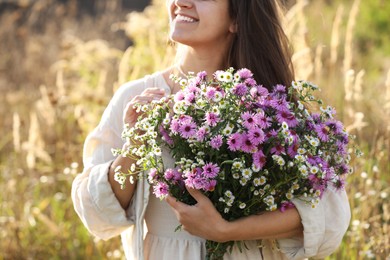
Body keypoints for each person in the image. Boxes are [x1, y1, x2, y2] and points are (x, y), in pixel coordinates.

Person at [71, 0, 351, 259]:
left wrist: (226, 231)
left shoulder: (268, 106)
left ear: (237, 20)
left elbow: (327, 213)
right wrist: (135, 145)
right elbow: (96, 213)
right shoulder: (137, 97)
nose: (182, 1)